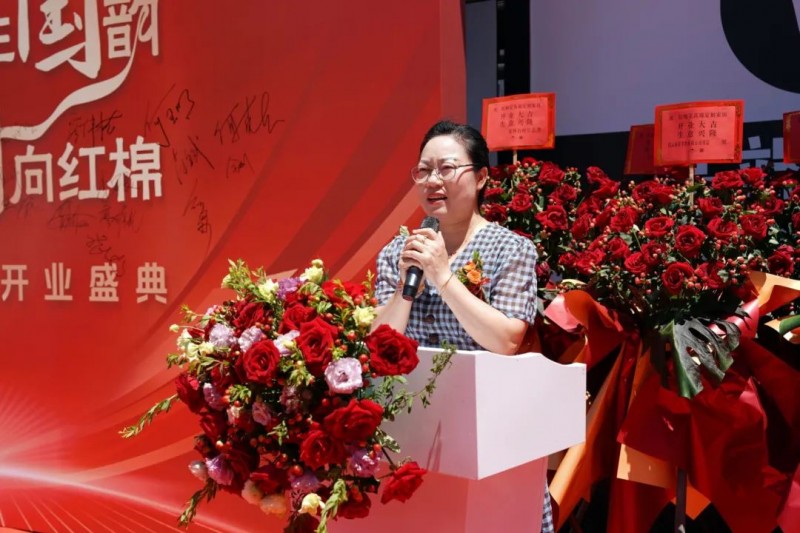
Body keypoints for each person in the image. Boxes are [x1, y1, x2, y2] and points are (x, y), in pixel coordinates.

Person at [372, 120, 554, 533]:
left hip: (490, 435)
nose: (433, 181)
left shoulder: (510, 248)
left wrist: (443, 276)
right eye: (424, 170)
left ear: (482, 177)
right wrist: (405, 289)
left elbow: (506, 340)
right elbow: (379, 347)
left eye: (447, 168)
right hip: (413, 436)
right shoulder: (399, 252)